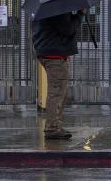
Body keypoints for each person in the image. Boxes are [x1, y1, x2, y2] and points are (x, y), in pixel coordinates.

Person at [31, 10, 83, 140]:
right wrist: (80, 15)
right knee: (57, 92)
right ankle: (52, 128)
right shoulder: (59, 11)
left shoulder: (47, 7)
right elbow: (68, 29)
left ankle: (55, 126)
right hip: (54, 55)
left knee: (58, 92)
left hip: (48, 52)